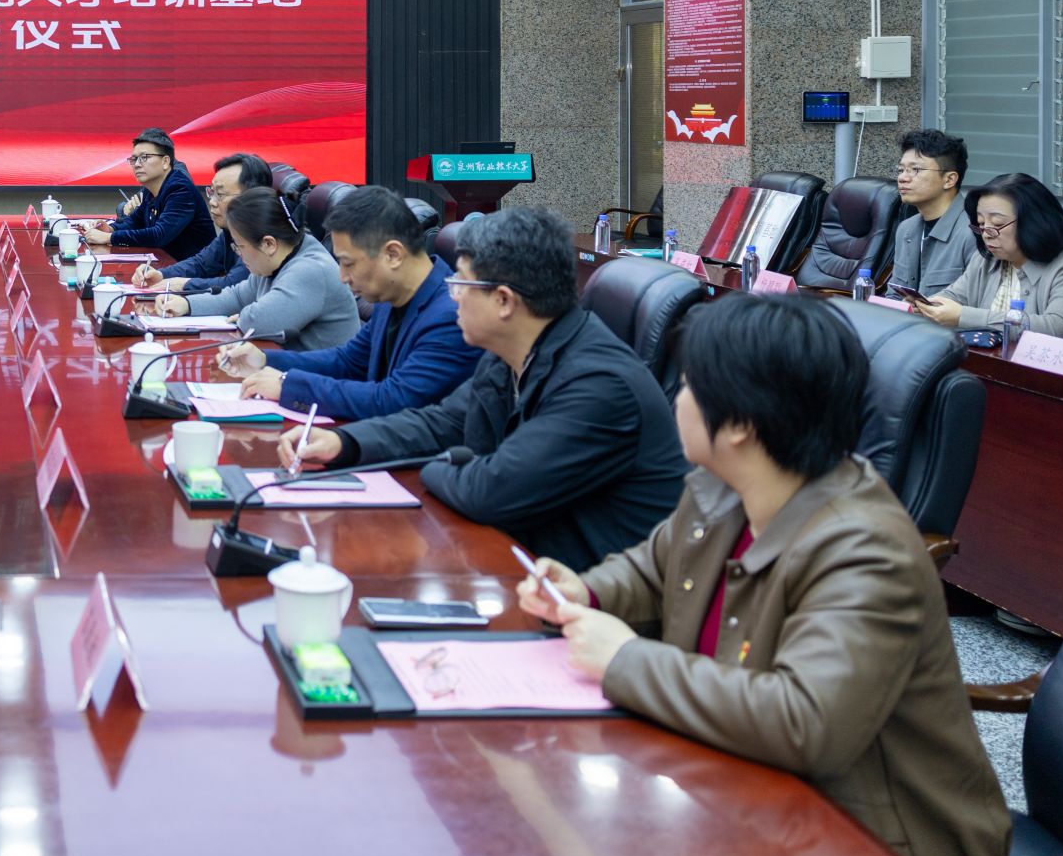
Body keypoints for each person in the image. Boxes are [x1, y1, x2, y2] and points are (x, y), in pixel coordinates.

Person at [517, 295, 1008, 856]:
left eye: (689, 386)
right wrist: (587, 591)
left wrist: (625, 661)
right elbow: (653, 570)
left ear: (742, 426)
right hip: (742, 787)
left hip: (874, 839)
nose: (676, 399)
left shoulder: (866, 551)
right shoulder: (724, 486)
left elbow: (806, 723)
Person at [281, 207, 686, 569]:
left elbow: (491, 491)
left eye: (462, 282)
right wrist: (346, 442)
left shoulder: (599, 386)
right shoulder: (511, 352)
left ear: (504, 301)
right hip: (522, 560)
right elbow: (442, 423)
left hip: (590, 599)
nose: (452, 294)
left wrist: (436, 465)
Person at [217, 185, 478, 420]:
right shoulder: (393, 296)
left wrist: (288, 385)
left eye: (349, 264)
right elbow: (348, 361)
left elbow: (394, 399)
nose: (342, 277)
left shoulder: (451, 317)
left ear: (393, 254)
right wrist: (265, 359)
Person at [151, 188, 359, 350]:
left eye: (240, 246)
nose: (238, 254)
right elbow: (237, 297)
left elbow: (260, 321)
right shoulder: (275, 260)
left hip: (321, 382)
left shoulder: (310, 270)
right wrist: (186, 304)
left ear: (268, 244)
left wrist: (244, 316)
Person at [915, 169, 1063, 336]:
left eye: (997, 224)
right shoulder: (986, 258)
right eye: (981, 223)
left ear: (1034, 222)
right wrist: (925, 306)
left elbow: (1058, 326)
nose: (986, 234)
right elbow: (955, 295)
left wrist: (964, 316)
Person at [131, 153, 270, 295]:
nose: (212, 202)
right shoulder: (230, 232)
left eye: (220, 194)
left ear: (252, 196)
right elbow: (201, 263)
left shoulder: (262, 237)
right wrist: (161, 274)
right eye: (212, 192)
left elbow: (234, 285)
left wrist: (184, 284)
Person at [82, 128, 215, 262]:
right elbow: (135, 221)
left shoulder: (180, 189)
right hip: (168, 264)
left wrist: (109, 238)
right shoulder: (150, 189)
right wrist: (111, 229)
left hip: (197, 270)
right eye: (134, 159)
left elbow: (159, 235)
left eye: (144, 157)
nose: (137, 164)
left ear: (165, 162)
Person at [887, 129, 971, 298]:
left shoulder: (972, 233)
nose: (902, 178)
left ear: (949, 180)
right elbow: (895, 295)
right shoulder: (906, 229)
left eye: (915, 170)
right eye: (901, 170)